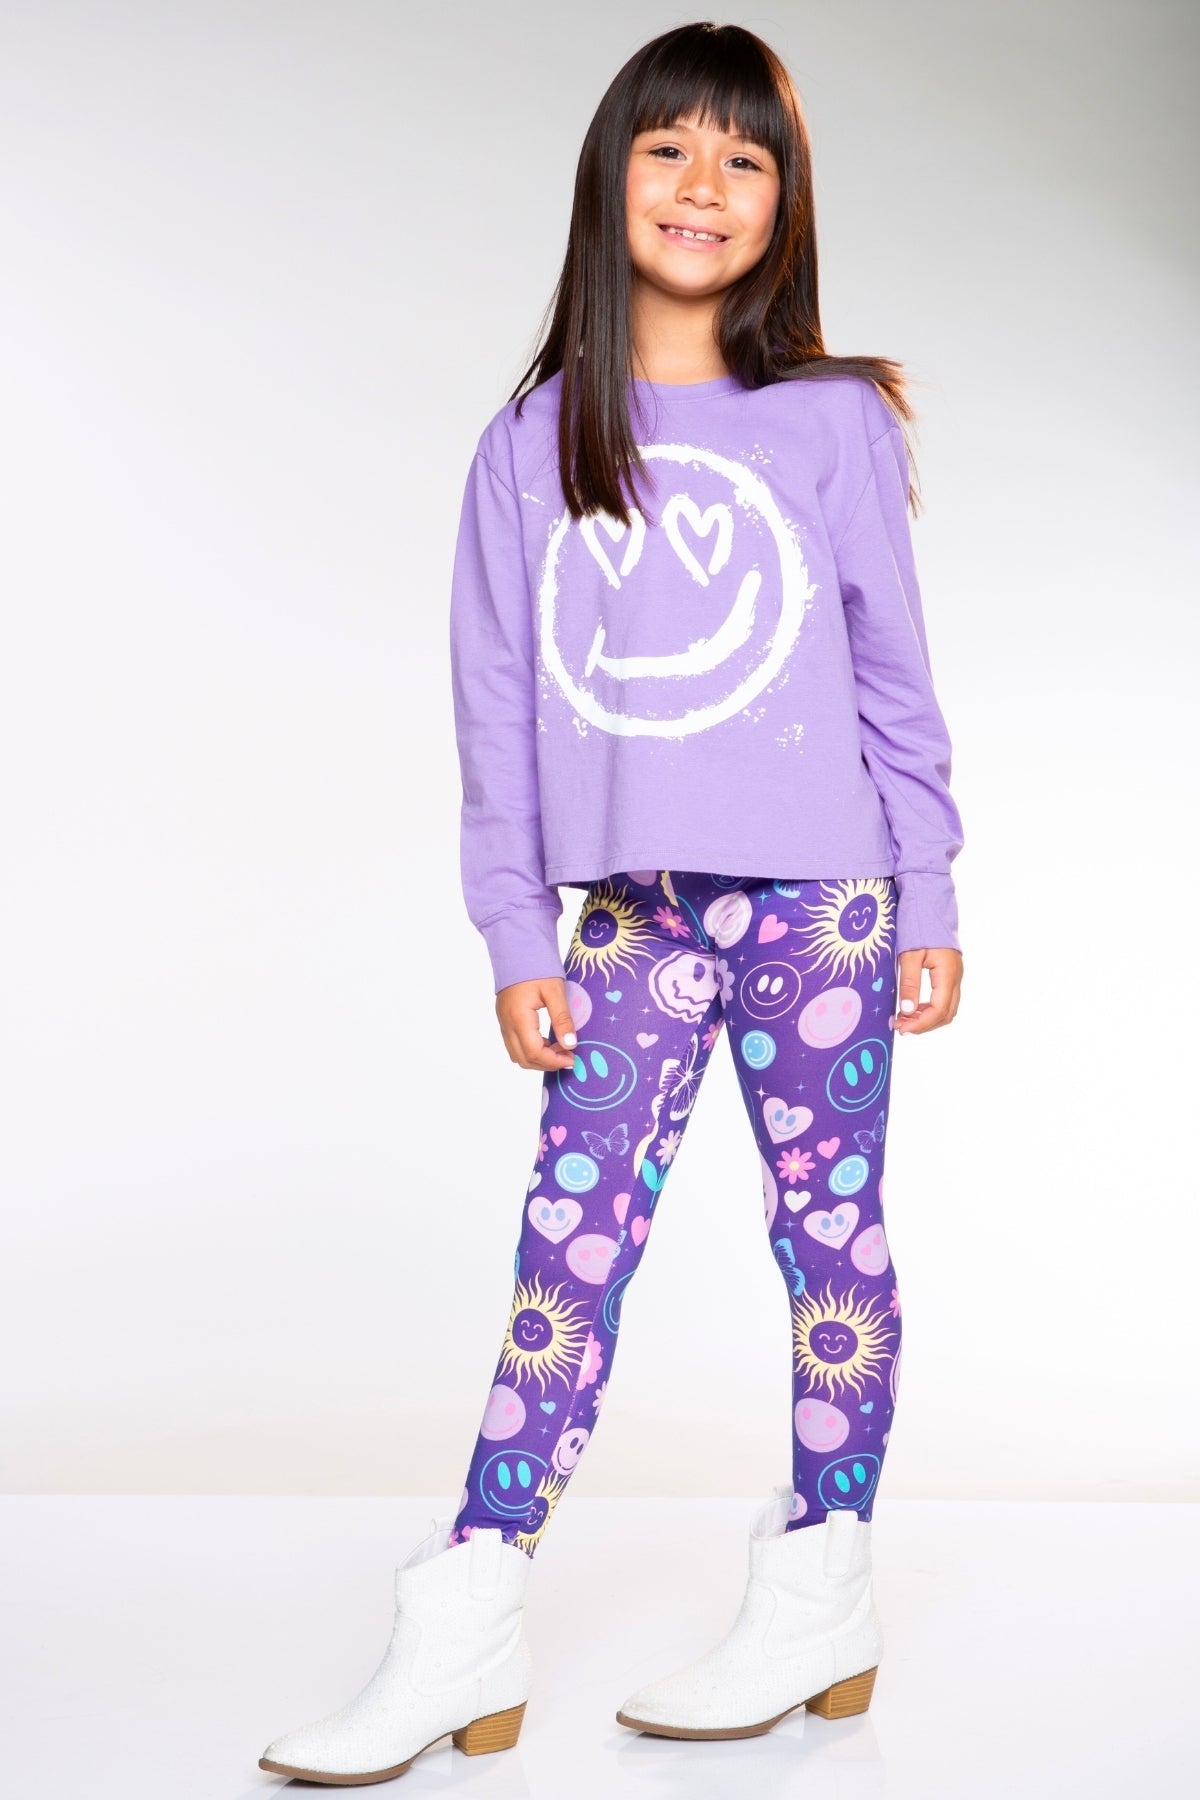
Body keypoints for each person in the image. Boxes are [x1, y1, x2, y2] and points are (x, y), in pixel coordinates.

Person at [258, 18, 965, 1785]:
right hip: (633, 919)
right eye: (670, 148)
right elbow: (493, 707)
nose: (704, 184)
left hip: (828, 906)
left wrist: (931, 882)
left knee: (832, 1243)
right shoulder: (531, 442)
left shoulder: (831, 421)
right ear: (610, 177)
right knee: (565, 1258)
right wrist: (515, 929)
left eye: (746, 156)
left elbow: (894, 668)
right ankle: (468, 1616)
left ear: (785, 202)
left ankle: (823, 1592)